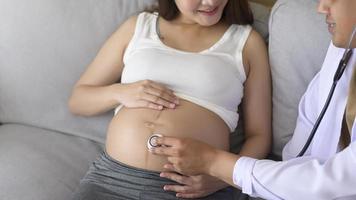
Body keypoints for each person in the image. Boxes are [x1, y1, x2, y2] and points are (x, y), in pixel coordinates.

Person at [150, 0, 356, 199]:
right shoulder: (341, 49)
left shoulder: (247, 42)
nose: (320, 8)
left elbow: (341, 179)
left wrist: (218, 167)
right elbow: (303, 147)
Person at [68, 0, 272, 199]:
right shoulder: (139, 27)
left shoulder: (248, 43)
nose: (210, 2)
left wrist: (226, 177)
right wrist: (120, 92)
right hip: (110, 179)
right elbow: (78, 100)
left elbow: (259, 135)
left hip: (191, 188)